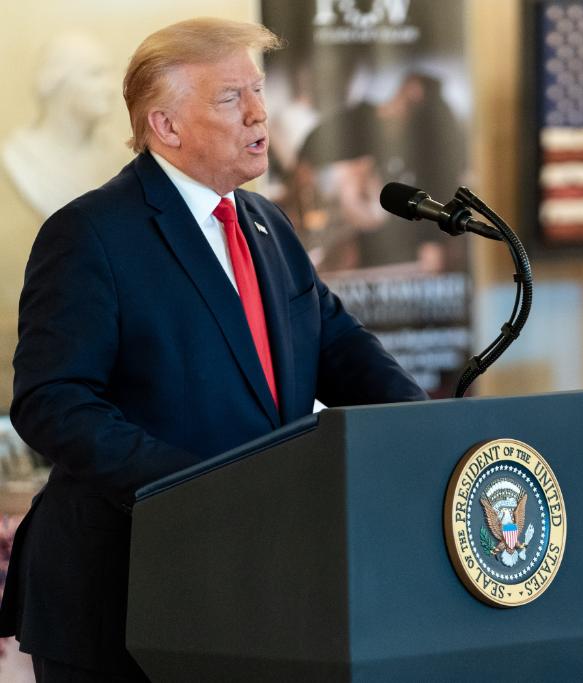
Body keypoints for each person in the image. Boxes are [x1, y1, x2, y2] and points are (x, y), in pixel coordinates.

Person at [0, 17, 427, 682]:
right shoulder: (90, 233)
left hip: (248, 585)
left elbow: (338, 344)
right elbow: (52, 402)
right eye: (231, 97)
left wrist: (420, 427)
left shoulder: (267, 222)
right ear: (165, 126)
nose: (260, 111)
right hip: (123, 593)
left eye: (257, 89)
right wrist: (198, 486)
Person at [2, 31, 126, 218]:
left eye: (110, 73)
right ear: (58, 81)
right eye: (95, 73)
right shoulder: (21, 155)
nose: (111, 87)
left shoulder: (116, 151)